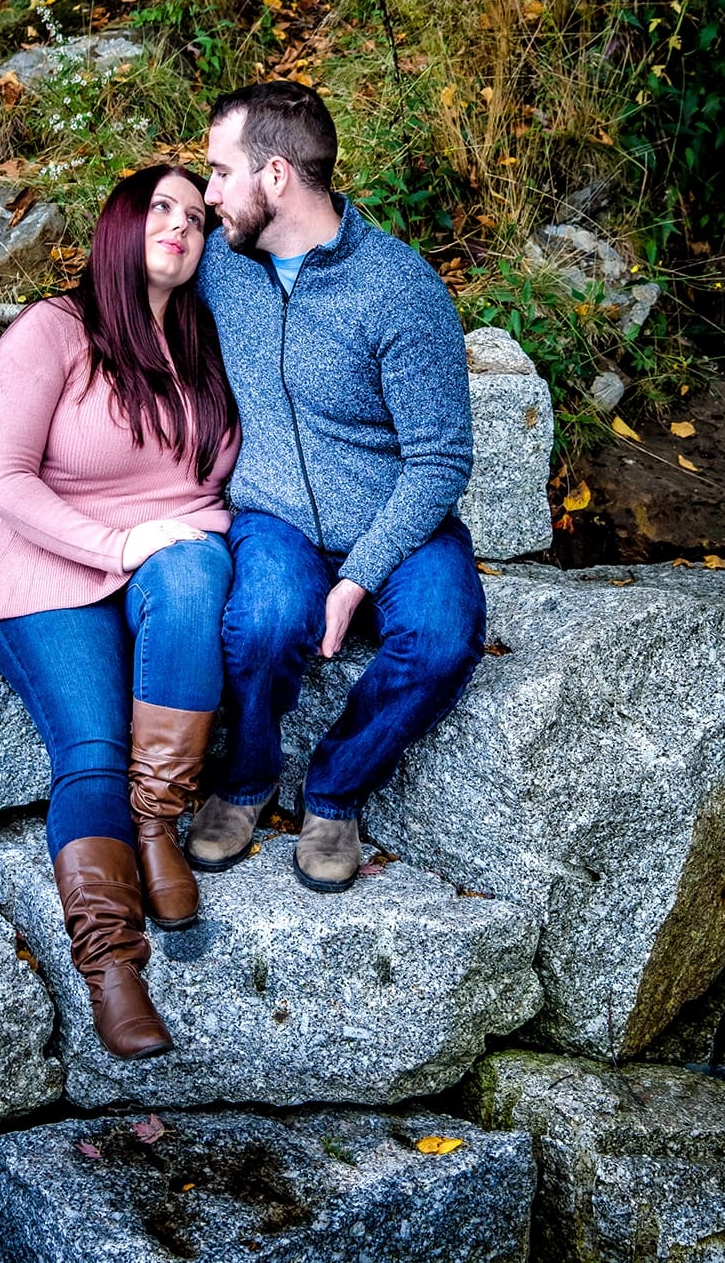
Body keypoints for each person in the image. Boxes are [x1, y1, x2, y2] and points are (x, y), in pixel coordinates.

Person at [0, 165, 239, 1061]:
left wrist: (188, 533)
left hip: (168, 565)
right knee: (88, 750)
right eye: (159, 209)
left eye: (195, 217)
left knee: (196, 571)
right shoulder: (54, 331)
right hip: (52, 572)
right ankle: (113, 965)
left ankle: (156, 822)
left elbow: (218, 480)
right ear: (119, 226)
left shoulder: (204, 338)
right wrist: (118, 545)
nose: (179, 227)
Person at [185, 80, 486, 892]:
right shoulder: (217, 264)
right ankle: (245, 782)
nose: (207, 194)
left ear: (275, 176)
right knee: (263, 622)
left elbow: (439, 461)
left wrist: (357, 578)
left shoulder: (399, 289)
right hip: (273, 513)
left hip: (393, 516)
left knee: (440, 639)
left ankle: (334, 794)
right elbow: (122, 290)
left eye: (219, 174)